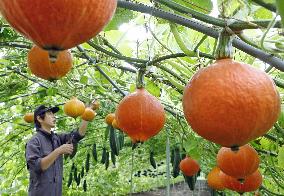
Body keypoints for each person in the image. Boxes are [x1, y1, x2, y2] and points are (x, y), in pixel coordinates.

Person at [25, 104, 90, 196]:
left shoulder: (57, 138)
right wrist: (58, 151)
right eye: (50, 114)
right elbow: (38, 166)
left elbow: (78, 135)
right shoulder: (34, 141)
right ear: (39, 118)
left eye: (54, 114)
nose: (54, 116)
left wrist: (87, 112)